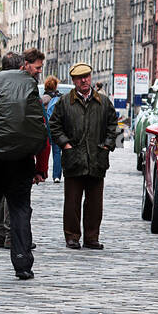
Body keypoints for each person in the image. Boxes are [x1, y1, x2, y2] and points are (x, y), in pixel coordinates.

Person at [0, 51, 49, 279]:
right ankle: (23, 264)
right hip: (21, 160)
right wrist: (41, 168)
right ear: (22, 67)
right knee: (20, 210)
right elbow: (43, 132)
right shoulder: (30, 88)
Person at [49, 62, 118, 250]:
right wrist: (66, 145)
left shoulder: (103, 102)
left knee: (95, 202)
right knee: (72, 201)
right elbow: (54, 126)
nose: (84, 80)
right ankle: (72, 236)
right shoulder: (65, 102)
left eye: (87, 76)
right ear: (73, 80)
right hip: (74, 158)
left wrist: (107, 146)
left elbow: (114, 126)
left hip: (97, 158)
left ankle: (91, 236)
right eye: (80, 78)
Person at [41, 75, 64, 182]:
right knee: (57, 152)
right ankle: (56, 176)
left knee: (42, 150)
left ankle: (41, 173)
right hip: (57, 128)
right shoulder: (60, 98)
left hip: (44, 128)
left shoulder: (43, 99)